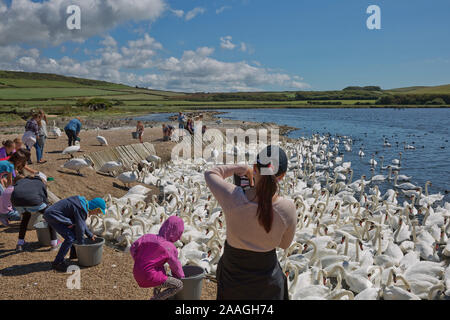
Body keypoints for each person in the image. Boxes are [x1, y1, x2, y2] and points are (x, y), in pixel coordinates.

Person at [204, 145, 296, 300]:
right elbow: (284, 245)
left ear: (255, 168)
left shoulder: (232, 196)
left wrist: (241, 167)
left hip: (232, 280)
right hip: (268, 285)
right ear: (282, 176)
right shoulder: (288, 208)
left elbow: (210, 173)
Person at [43, 196, 106, 272]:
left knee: (74, 232)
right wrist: (82, 245)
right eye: (98, 212)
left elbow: (81, 223)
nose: (97, 214)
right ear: (96, 208)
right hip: (53, 216)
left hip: (53, 213)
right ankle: (57, 262)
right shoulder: (81, 208)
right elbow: (80, 228)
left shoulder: (81, 203)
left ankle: (74, 254)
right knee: (70, 238)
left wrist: (90, 235)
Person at [130, 216, 185, 300]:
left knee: (162, 270)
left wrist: (139, 261)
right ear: (177, 233)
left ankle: (156, 294)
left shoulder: (147, 237)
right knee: (179, 285)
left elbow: (132, 248)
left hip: (137, 272)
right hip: (149, 276)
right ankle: (156, 299)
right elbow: (175, 266)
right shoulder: (170, 247)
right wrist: (182, 276)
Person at [11, 172, 57, 252]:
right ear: (43, 179)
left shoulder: (22, 181)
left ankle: (20, 244)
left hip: (16, 201)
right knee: (51, 216)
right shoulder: (40, 183)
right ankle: (54, 243)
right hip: (32, 201)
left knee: (25, 217)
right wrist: (46, 215)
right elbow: (44, 199)